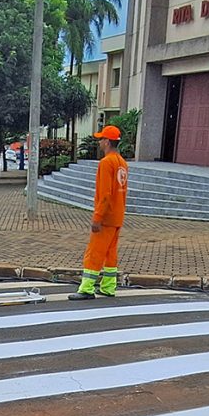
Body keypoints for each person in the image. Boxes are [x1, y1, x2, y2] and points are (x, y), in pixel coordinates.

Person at [69, 125, 128, 300]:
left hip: (106, 217)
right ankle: (108, 287)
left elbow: (105, 195)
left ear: (107, 142)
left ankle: (87, 288)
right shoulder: (122, 163)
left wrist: (97, 218)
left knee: (94, 252)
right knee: (110, 253)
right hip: (117, 216)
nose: (100, 142)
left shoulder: (106, 162)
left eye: (101, 139)